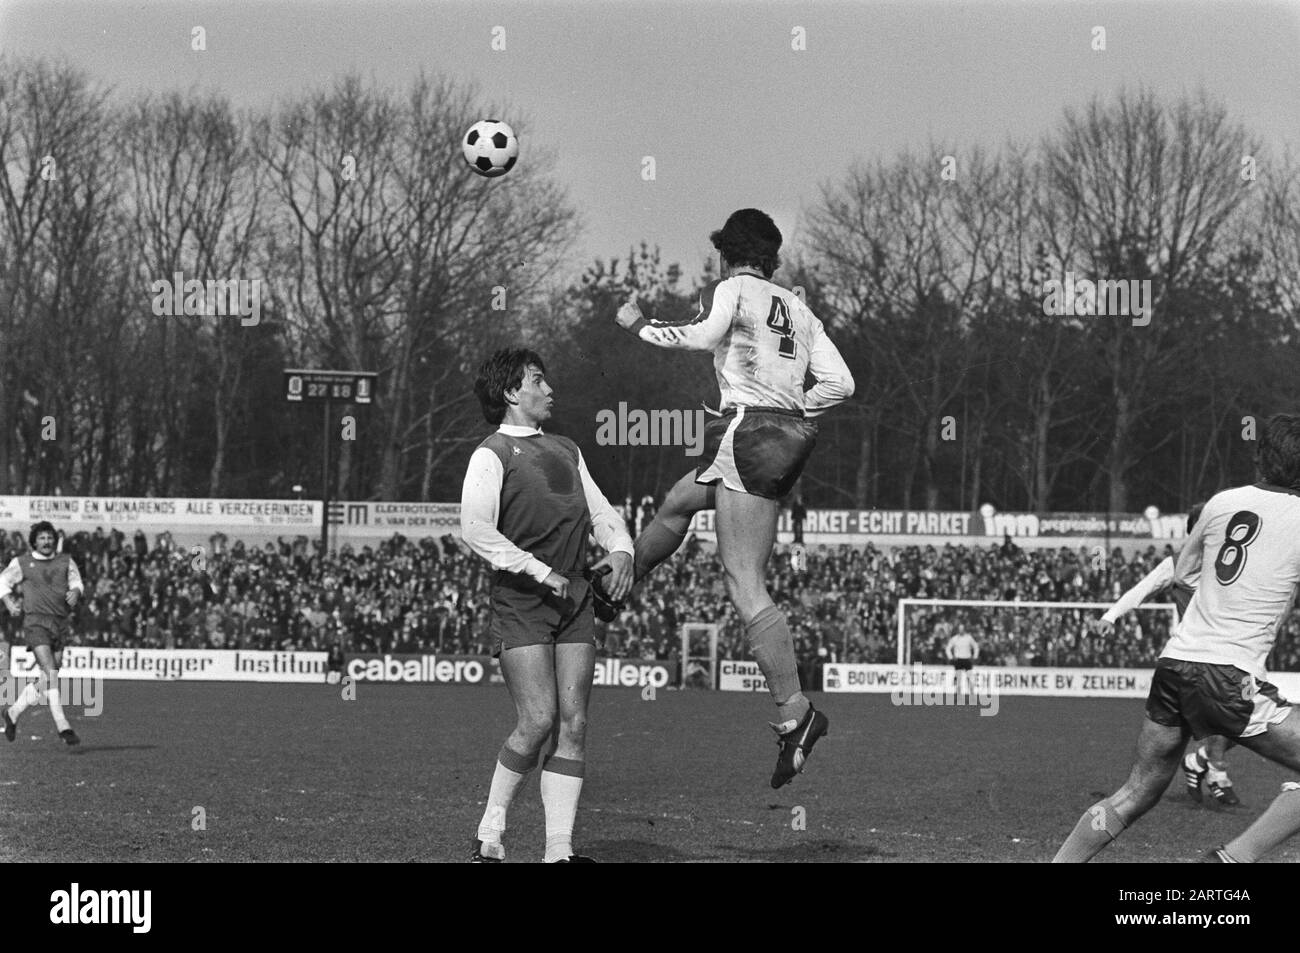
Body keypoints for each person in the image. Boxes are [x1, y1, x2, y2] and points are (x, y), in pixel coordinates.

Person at [609, 208, 855, 788]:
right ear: (771, 258)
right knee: (676, 503)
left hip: (750, 431)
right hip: (771, 432)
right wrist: (795, 408)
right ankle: (612, 592)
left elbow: (700, 336)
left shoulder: (734, 289)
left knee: (744, 580)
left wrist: (636, 324)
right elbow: (842, 384)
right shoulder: (799, 308)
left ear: (727, 253)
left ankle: (797, 713)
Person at [1054, 414, 1300, 863]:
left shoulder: (1221, 502)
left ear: (1260, 458)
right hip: (1229, 676)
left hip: (1175, 665)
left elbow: (1182, 575)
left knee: (1134, 793)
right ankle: (1231, 859)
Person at [461, 348, 633, 863]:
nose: (549, 389)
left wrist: (622, 548)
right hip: (523, 601)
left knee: (574, 724)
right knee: (537, 720)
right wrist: (541, 572)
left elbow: (601, 513)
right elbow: (475, 529)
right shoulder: (490, 454)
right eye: (538, 379)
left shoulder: (567, 449)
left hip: (575, 599)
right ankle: (490, 833)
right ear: (512, 392)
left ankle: (559, 852)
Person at [1092, 503, 1240, 806]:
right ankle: (1215, 772)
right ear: (1196, 531)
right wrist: (1110, 616)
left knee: (1244, 720)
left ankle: (1198, 762)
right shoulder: (1177, 564)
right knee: (1222, 716)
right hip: (1196, 656)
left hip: (1233, 653)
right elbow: (1142, 589)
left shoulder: (1232, 564)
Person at [0, 521, 84, 745]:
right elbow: (3, 581)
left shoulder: (65, 561)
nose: (46, 541)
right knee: (51, 671)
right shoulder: (22, 562)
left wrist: (75, 591)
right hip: (35, 623)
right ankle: (63, 726)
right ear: (34, 541)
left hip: (60, 623)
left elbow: (77, 581)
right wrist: (8, 602)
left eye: (49, 537)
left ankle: (12, 713)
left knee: (48, 677)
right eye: (42, 538)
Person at [945, 626, 979, 695]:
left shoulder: (969, 638)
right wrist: (951, 657)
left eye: (962, 629)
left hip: (967, 660)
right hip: (958, 660)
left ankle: (972, 696)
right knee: (958, 679)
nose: (961, 631)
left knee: (970, 678)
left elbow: (976, 646)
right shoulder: (954, 638)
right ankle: (959, 697)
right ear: (958, 630)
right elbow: (948, 648)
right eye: (960, 629)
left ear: (964, 630)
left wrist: (975, 656)